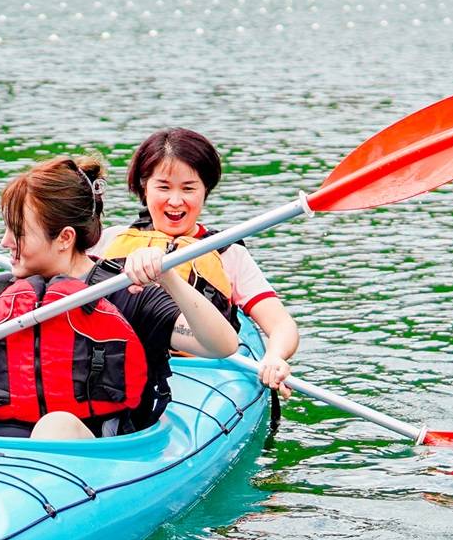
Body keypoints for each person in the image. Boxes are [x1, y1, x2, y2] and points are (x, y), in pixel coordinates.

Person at [0, 153, 239, 439]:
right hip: (4, 446)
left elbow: (221, 344)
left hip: (94, 453)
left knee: (55, 426)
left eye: (18, 232)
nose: (4, 242)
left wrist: (168, 277)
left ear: (64, 238)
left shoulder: (125, 293)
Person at [91, 128, 302, 390]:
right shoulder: (108, 241)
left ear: (205, 190)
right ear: (144, 188)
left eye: (188, 188)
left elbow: (281, 324)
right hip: (112, 366)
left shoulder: (228, 253)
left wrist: (275, 356)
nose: (175, 201)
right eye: (163, 187)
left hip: (196, 374)